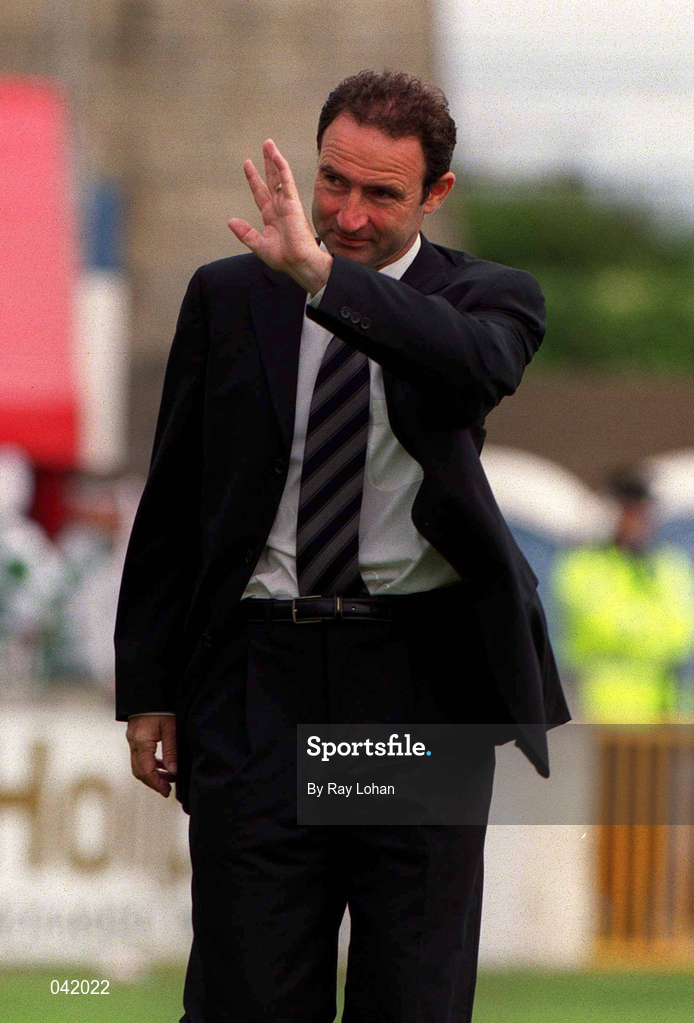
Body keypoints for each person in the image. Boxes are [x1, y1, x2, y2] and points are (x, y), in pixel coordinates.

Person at [115, 71, 571, 1023]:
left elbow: (470, 368)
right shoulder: (228, 296)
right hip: (258, 680)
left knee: (411, 994)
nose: (348, 212)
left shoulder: (489, 299)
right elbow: (175, 501)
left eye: (381, 194)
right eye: (333, 182)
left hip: (415, 678)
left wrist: (325, 279)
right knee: (247, 992)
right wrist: (150, 685)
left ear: (436, 195)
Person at [553, 467, 694, 723]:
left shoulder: (667, 565)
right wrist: (654, 627)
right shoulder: (582, 565)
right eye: (629, 512)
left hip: (662, 713)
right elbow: (600, 626)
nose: (637, 522)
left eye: (642, 513)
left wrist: (633, 626)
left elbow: (682, 634)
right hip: (600, 711)